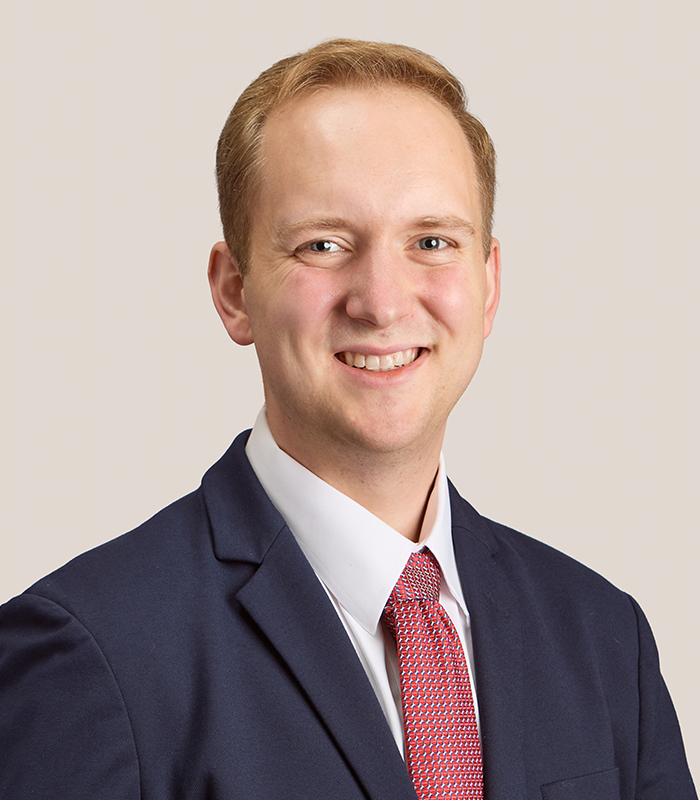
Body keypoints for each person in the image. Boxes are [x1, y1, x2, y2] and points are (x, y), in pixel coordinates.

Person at [0, 39, 695, 800]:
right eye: (324, 244)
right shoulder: (88, 654)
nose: (382, 302)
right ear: (234, 290)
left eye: (432, 241)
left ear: (488, 284)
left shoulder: (604, 638)